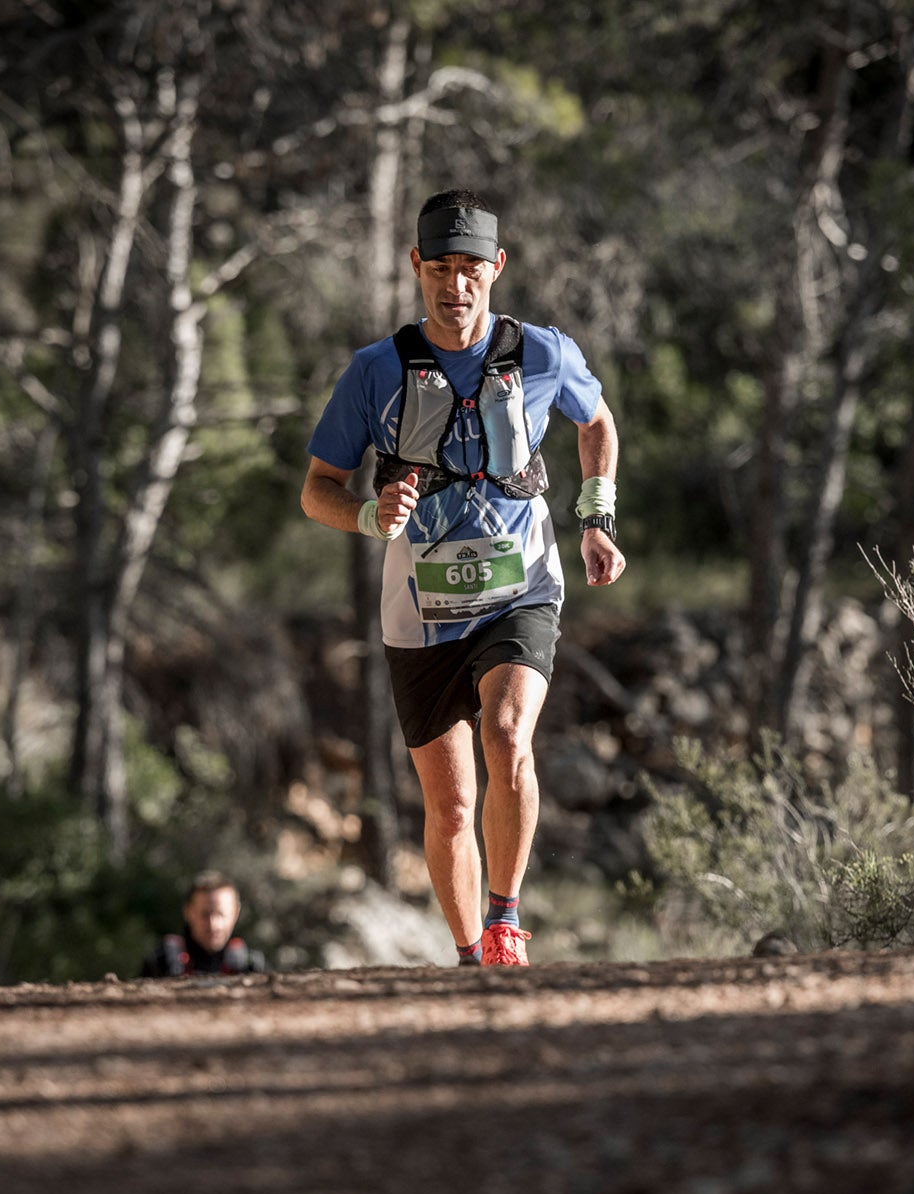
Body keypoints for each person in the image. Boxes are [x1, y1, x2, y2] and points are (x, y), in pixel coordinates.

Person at [301, 188, 626, 967]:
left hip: (522, 589)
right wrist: (368, 517)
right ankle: (470, 955)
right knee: (450, 806)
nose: (456, 286)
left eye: (472, 268)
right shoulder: (375, 372)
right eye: (441, 268)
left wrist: (597, 519)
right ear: (417, 266)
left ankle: (507, 918)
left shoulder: (543, 353)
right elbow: (319, 487)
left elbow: (597, 423)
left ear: (497, 268)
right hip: (419, 610)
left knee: (508, 734)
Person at [141, 872, 264, 977]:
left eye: (221, 914)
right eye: (205, 915)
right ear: (188, 912)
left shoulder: (251, 966)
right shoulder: (160, 964)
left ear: (235, 913)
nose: (213, 925)